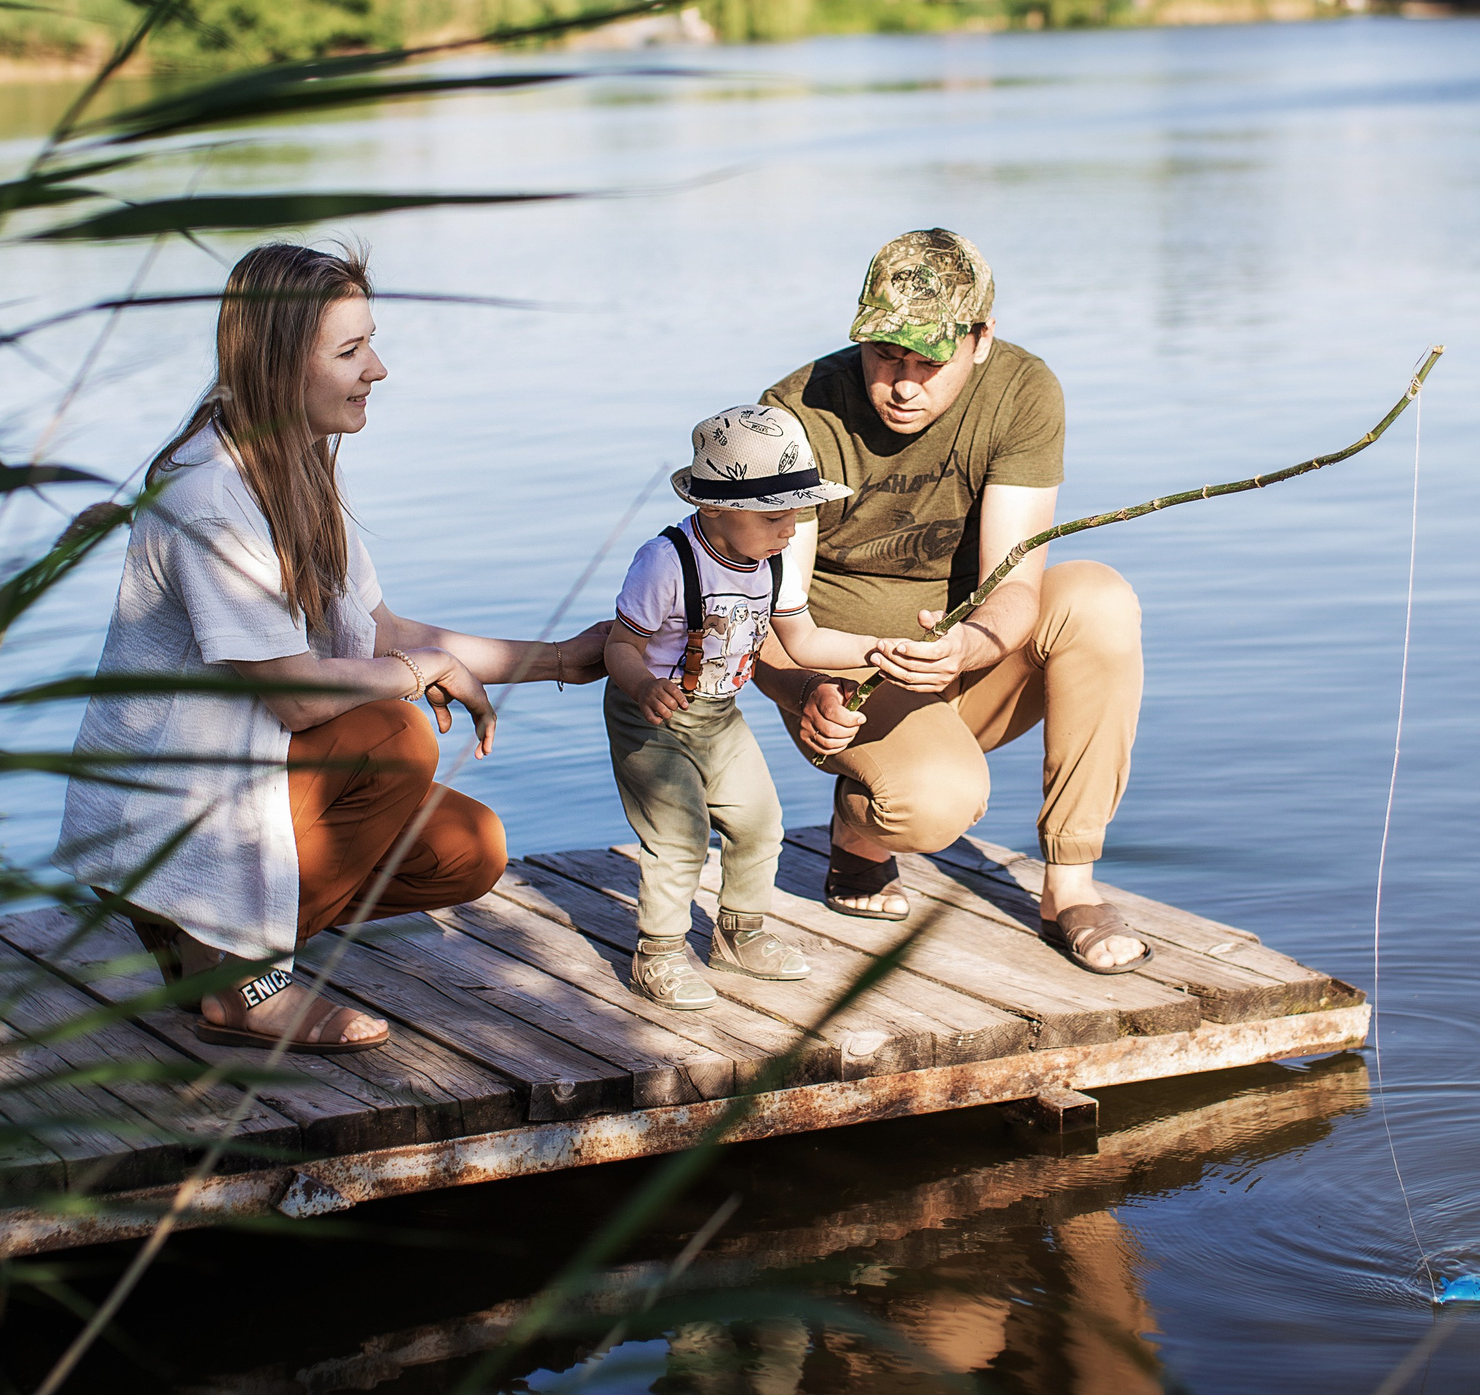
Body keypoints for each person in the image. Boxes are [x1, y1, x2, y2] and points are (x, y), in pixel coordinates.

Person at [53, 242, 607, 1053]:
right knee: (394, 735)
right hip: (168, 812)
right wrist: (420, 677)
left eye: (370, 343)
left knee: (469, 851)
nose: (377, 368)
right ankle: (245, 983)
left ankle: (197, 938)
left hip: (239, 791)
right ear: (280, 364)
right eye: (350, 351)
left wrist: (563, 657)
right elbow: (299, 696)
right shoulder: (209, 494)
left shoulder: (293, 464)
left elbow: (380, 631)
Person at [754, 229, 1152, 973]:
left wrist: (965, 648)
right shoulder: (793, 421)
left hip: (971, 653)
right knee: (934, 802)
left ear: (981, 338)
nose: (903, 385)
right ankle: (863, 827)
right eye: (884, 356)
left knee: (1099, 599)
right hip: (848, 678)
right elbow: (757, 614)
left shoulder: (1022, 392)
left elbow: (1019, 583)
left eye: (928, 361)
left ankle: (1069, 888)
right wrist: (805, 689)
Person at [602, 405, 883, 1008]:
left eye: (799, 514)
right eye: (777, 515)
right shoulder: (667, 561)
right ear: (716, 509)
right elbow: (620, 645)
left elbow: (802, 639)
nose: (792, 529)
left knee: (760, 822)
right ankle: (659, 952)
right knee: (679, 835)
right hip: (652, 716)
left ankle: (739, 934)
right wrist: (643, 687)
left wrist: (876, 648)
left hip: (719, 715)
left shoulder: (775, 559)